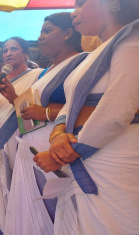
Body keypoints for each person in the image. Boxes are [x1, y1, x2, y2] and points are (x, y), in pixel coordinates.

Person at [34, 1, 139, 234]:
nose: (74, 12)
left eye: (81, 3)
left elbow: (118, 110)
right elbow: (70, 104)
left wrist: (63, 155)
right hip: (87, 155)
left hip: (114, 159)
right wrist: (58, 132)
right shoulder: (96, 53)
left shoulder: (133, 39)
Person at [3, 12, 86, 235]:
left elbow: (90, 108)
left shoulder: (82, 62)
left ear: (68, 33)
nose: (40, 37)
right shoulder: (46, 72)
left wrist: (47, 112)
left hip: (58, 149)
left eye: (47, 31)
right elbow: (32, 113)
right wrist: (13, 98)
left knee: (56, 209)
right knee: (30, 206)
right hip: (31, 148)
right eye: (40, 32)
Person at [0, 37, 43, 234]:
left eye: (13, 49)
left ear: (25, 53)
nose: (8, 53)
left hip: (22, 130)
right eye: (5, 50)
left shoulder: (38, 75)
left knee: (20, 178)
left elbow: (36, 106)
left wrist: (13, 95)